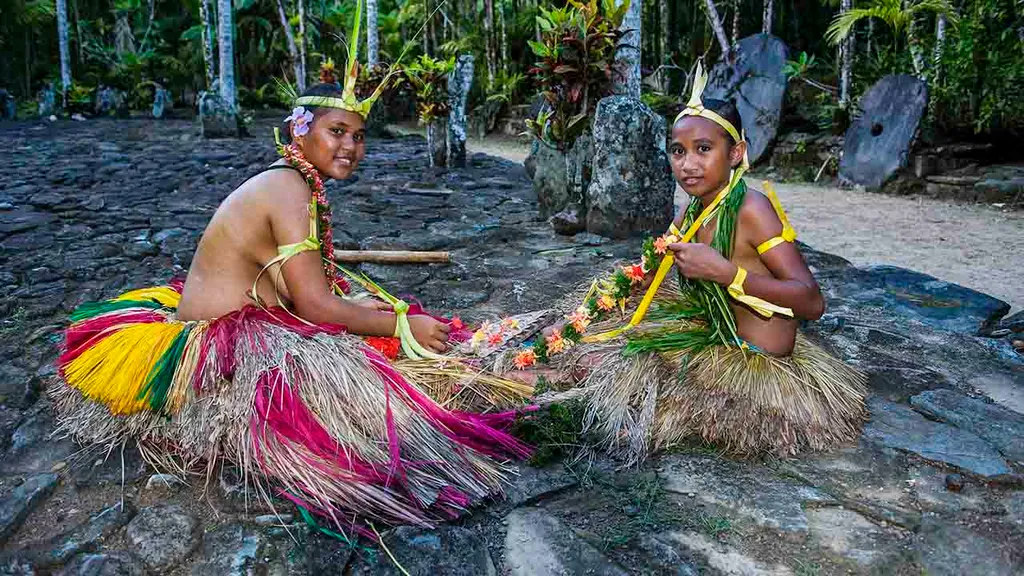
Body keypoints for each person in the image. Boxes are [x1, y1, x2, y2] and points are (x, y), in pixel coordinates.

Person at [50, 7, 531, 538]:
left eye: (359, 135)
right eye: (337, 131)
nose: (350, 146)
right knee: (384, 366)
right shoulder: (289, 188)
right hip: (214, 346)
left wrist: (365, 313)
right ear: (300, 131)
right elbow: (317, 308)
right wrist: (399, 326)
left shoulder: (294, 182)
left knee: (373, 317)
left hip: (239, 319)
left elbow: (298, 288)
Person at [505, 62, 866, 463]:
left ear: (737, 153)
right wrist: (584, 320)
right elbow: (644, 274)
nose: (688, 164)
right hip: (709, 329)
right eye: (678, 151)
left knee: (610, 371)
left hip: (750, 357)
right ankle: (553, 372)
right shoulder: (695, 208)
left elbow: (812, 302)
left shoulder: (752, 208)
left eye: (703, 149)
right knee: (599, 343)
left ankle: (551, 386)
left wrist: (728, 274)